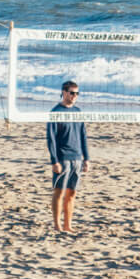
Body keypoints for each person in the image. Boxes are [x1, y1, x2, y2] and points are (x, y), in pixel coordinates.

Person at [46, 80, 90, 234]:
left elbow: (83, 136)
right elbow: (51, 139)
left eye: (77, 93)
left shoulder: (78, 112)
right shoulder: (56, 112)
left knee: (72, 193)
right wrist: (54, 161)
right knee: (59, 191)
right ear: (64, 92)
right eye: (72, 93)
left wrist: (87, 158)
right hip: (63, 158)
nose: (74, 96)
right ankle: (57, 225)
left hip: (77, 158)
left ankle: (68, 225)